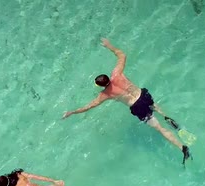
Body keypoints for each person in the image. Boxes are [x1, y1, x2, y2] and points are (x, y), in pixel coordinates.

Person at [62, 38, 192, 165]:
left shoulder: (106, 94)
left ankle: (183, 148)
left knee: (160, 129)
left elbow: (89, 106)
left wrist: (72, 112)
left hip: (137, 106)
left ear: (101, 86)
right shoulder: (117, 74)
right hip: (143, 95)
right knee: (156, 108)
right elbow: (122, 55)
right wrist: (109, 46)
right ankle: (171, 121)